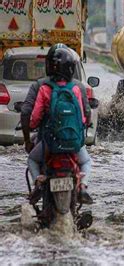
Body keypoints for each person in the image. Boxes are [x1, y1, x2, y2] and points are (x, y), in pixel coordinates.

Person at [26, 46, 93, 205]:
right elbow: (83, 118)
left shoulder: (44, 88)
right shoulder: (76, 88)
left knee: (32, 160)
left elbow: (35, 117)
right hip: (74, 142)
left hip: (51, 142)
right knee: (86, 162)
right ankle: (83, 187)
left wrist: (31, 126)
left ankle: (38, 184)